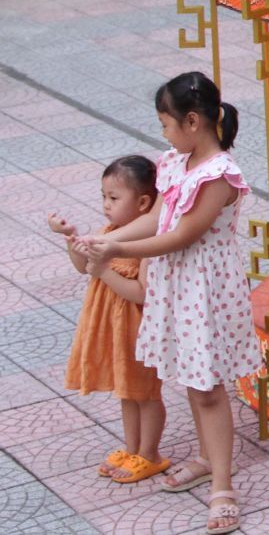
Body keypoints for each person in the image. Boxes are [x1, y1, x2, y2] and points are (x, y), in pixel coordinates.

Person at [76, 73, 261, 535]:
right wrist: (102, 238)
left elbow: (181, 235)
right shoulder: (176, 160)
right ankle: (206, 458)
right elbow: (158, 219)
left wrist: (116, 248)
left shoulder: (219, 175)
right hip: (178, 285)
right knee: (193, 380)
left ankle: (223, 487)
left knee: (208, 388)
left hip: (205, 289)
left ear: (192, 121)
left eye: (165, 123)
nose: (164, 133)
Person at [48, 156, 167, 485]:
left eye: (114, 198)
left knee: (146, 393)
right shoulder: (110, 233)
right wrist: (71, 237)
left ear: (143, 203)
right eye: (104, 197)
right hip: (115, 329)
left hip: (137, 331)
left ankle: (150, 454)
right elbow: (82, 266)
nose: (106, 205)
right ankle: (132, 449)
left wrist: (103, 270)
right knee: (126, 392)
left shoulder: (148, 244)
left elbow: (141, 293)